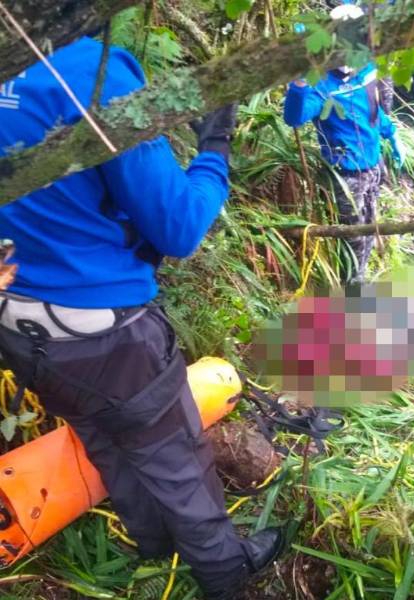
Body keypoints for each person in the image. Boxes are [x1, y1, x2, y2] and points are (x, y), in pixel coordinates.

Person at [0, 35, 282, 599]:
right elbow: (179, 226)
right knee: (175, 454)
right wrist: (215, 148)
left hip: (18, 326)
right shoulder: (93, 71)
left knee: (102, 438)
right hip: (106, 334)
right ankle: (225, 572)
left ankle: (152, 541)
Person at [283, 3, 404, 283]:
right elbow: (295, 118)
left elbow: (373, 109)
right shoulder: (321, 83)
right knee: (353, 239)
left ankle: (360, 280)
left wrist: (391, 133)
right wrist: (299, 83)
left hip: (373, 162)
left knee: (370, 225)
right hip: (346, 174)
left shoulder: (367, 67)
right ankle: (353, 291)